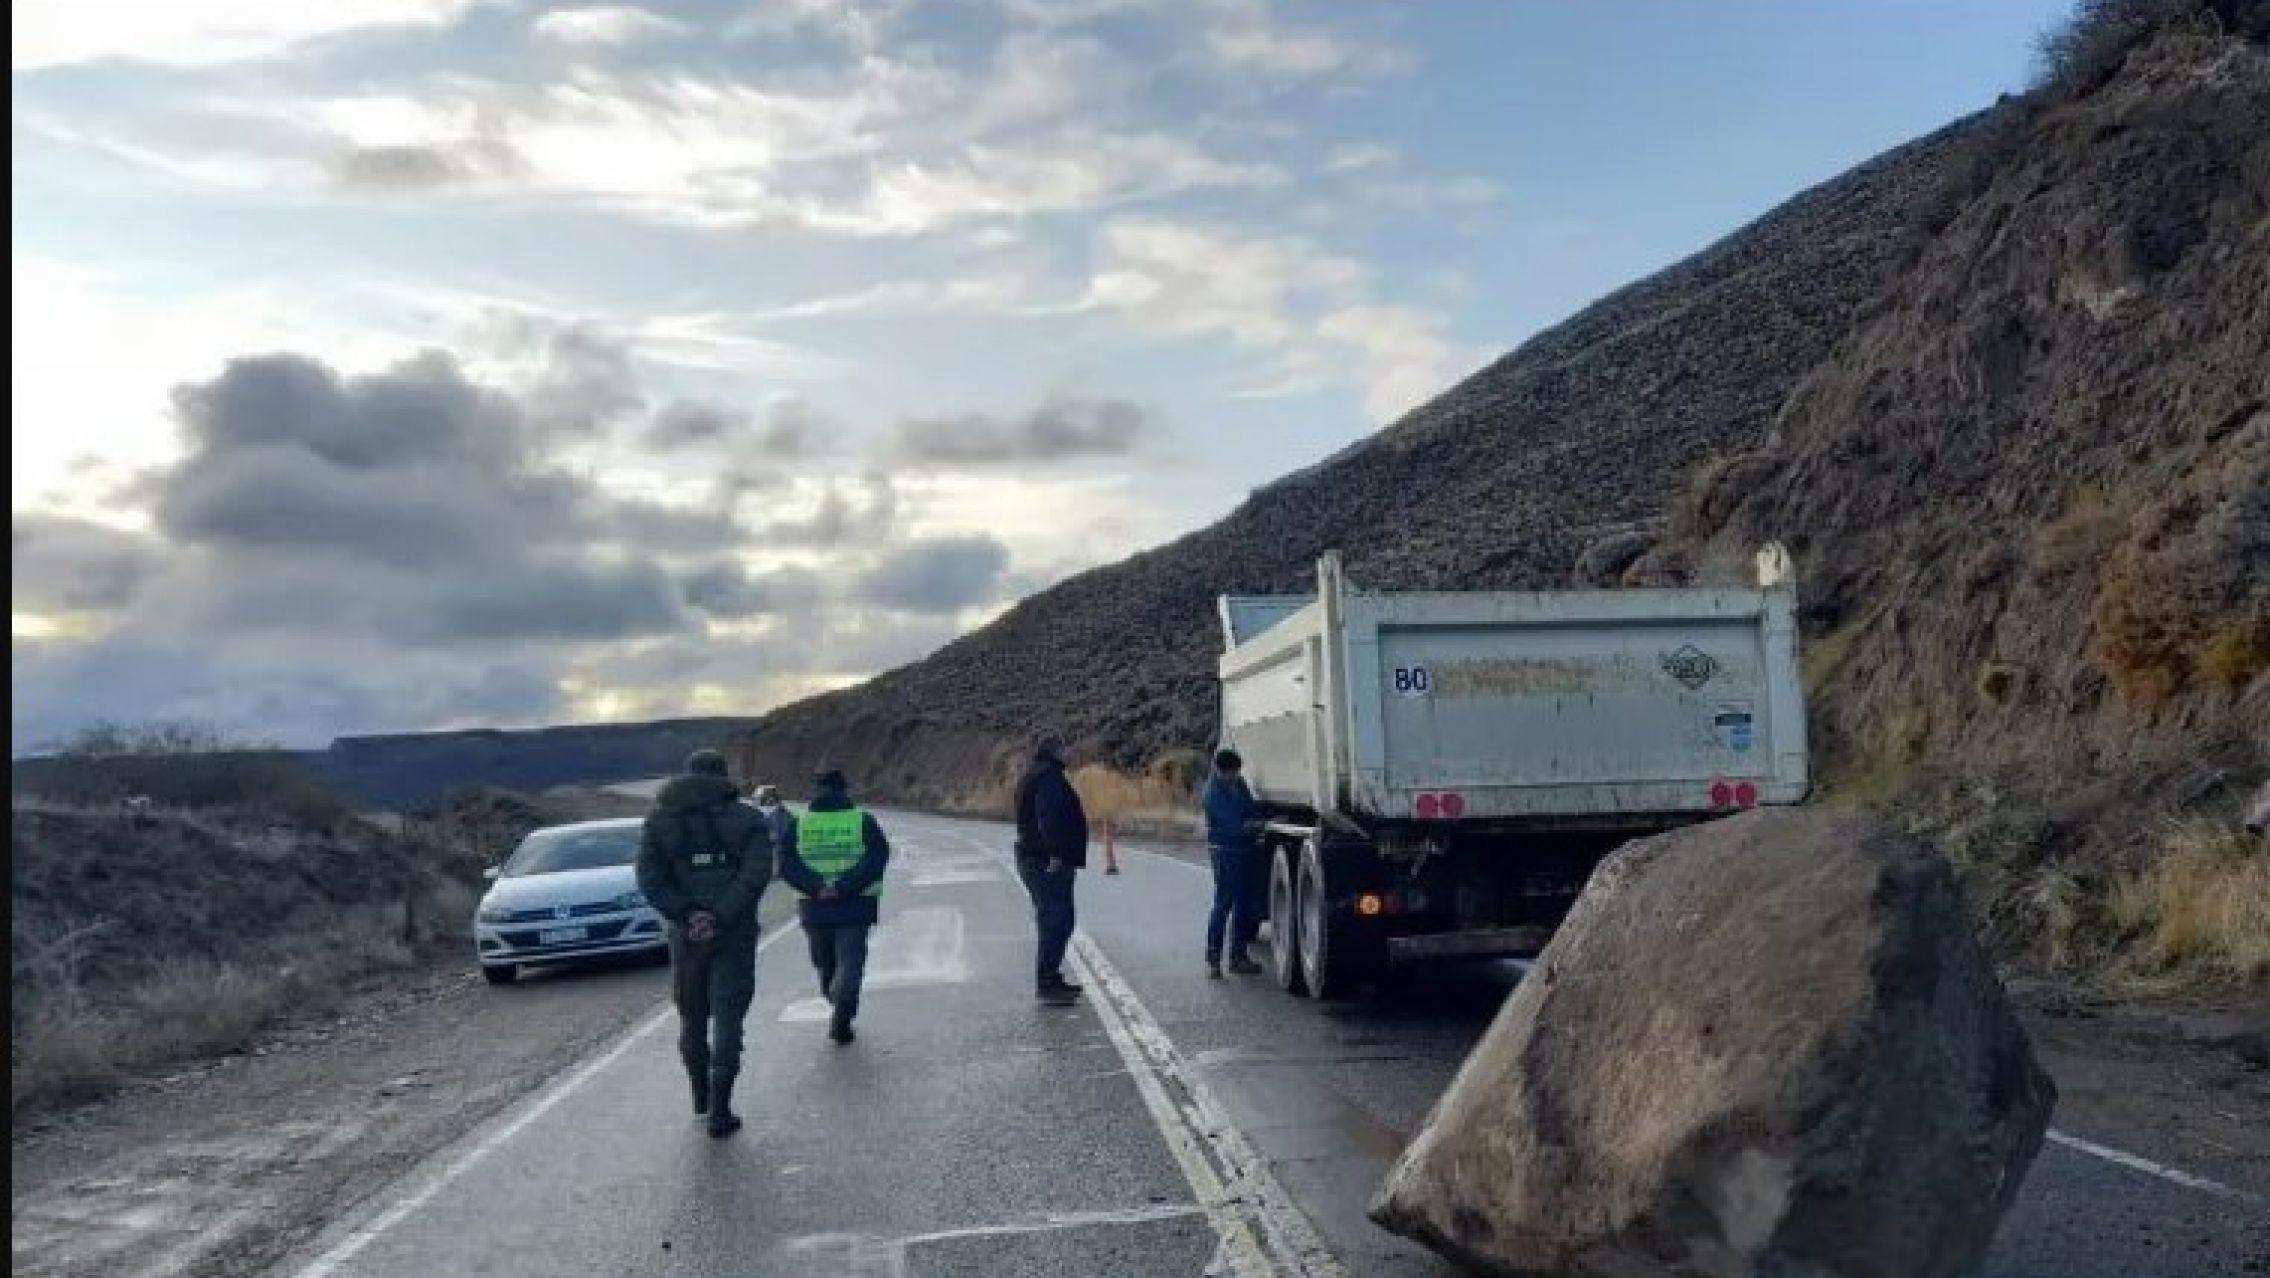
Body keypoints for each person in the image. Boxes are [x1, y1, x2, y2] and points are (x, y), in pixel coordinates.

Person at [635, 748, 773, 1138]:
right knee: (728, 1017)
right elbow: (756, 874)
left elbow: (649, 878)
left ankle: (699, 1095)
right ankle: (720, 1108)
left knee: (692, 1017)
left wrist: (686, 915)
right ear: (723, 776)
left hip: (686, 936)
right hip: (733, 932)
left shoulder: (660, 820)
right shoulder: (748, 819)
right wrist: (720, 915)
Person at [775, 767, 891, 1045]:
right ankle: (843, 1008)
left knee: (825, 965)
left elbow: (787, 865)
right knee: (850, 964)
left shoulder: (799, 823)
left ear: (815, 790)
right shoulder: (862, 820)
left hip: (815, 908)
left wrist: (817, 888)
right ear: (844, 790)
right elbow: (877, 859)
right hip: (856, 904)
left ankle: (838, 1008)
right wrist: (843, 887)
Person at [1013, 737, 1089, 1006]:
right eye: (1065, 748)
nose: (1070, 751)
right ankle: (1047, 982)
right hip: (1045, 861)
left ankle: (1051, 977)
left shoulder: (1036, 775)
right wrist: (1056, 853)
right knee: (1056, 920)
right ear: (1055, 752)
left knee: (1058, 920)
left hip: (1036, 857)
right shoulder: (1049, 779)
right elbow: (1048, 818)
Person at [1202, 748, 1266, 979]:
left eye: (1237, 772)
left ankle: (1238, 956)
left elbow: (1249, 809)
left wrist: (1255, 821)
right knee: (1224, 904)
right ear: (1220, 770)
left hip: (1244, 850)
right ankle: (1214, 958)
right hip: (1225, 852)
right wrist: (1253, 826)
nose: (1235, 776)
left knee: (1244, 905)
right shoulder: (1213, 793)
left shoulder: (1238, 785)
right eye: (1231, 773)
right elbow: (1234, 824)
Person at [750, 783, 796, 852]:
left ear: (770, 800)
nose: (755, 804)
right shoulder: (764, 815)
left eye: (759, 800)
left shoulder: (781, 818)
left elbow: (779, 841)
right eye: (754, 800)